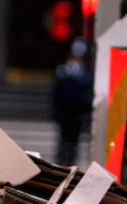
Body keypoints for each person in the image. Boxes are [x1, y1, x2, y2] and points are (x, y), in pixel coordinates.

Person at [53, 37, 93, 167]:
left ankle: (69, 165)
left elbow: (86, 93)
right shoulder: (64, 71)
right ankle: (61, 164)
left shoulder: (85, 74)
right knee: (63, 143)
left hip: (77, 115)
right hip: (65, 114)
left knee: (73, 144)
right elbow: (57, 94)